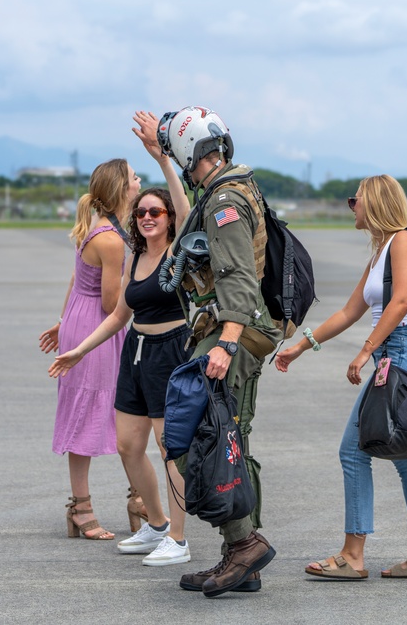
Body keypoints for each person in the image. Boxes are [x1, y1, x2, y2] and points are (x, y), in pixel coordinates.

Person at [275, 174, 407, 580]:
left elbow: (403, 300)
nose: (352, 206)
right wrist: (302, 345)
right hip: (395, 351)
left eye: (357, 200)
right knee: (406, 455)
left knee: (354, 451)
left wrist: (367, 350)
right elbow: (349, 311)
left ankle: (353, 555)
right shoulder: (381, 251)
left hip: (401, 352)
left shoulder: (403, 240)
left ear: (378, 202)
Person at [152, 106, 281, 597]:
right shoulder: (230, 186)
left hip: (235, 331)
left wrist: (225, 343)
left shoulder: (225, 200)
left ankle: (244, 543)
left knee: (201, 441)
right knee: (228, 439)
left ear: (188, 151)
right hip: (236, 328)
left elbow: (239, 281)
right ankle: (240, 558)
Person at [50, 181, 193, 565]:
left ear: (170, 218)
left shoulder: (179, 253)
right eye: (141, 212)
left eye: (156, 213)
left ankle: (178, 540)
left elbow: (187, 208)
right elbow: (118, 315)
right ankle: (158, 524)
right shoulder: (135, 257)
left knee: (170, 450)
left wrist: (163, 161)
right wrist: (78, 349)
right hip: (136, 351)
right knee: (128, 445)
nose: (147, 218)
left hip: (171, 353)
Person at [38, 159, 141, 541]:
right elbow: (111, 301)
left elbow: (76, 279)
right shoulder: (111, 239)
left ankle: (137, 499)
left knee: (117, 412)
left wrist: (64, 322)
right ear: (121, 189)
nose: (139, 181)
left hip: (81, 321)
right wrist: (142, 278)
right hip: (98, 325)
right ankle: (84, 508)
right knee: (97, 412)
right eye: (134, 178)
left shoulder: (100, 228)